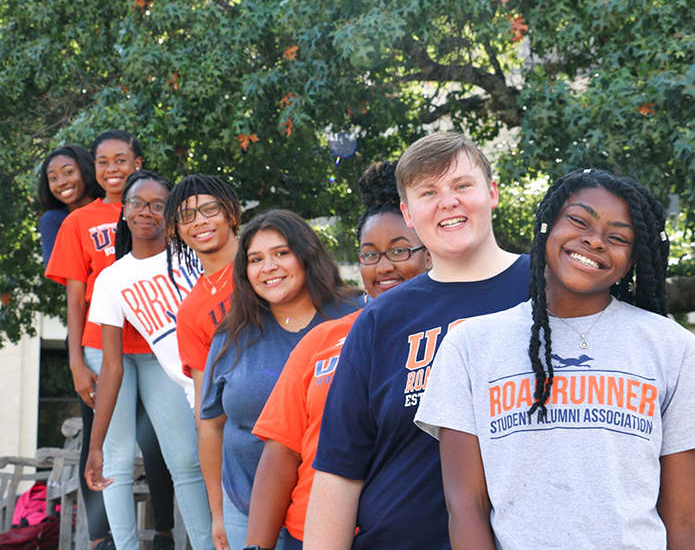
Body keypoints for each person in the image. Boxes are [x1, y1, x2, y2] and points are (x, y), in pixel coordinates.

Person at [415, 168, 695, 549]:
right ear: (547, 226)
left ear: (632, 261)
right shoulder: (470, 345)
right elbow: (466, 505)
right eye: (579, 221)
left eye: (617, 238)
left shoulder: (673, 349)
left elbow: (684, 522)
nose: (595, 241)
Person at [305, 132, 530, 550]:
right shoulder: (380, 320)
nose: (448, 202)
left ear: (492, 193)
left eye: (462, 185)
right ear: (409, 214)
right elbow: (339, 470)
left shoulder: (549, 291)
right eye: (429, 192)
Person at [246, 161, 431, 550]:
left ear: (428, 254)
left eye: (399, 250)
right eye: (369, 254)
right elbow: (280, 454)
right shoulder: (322, 340)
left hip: (404, 534)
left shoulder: (457, 332)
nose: (384, 267)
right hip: (310, 533)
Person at [199, 209, 364, 550]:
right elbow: (211, 426)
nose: (268, 267)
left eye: (281, 253)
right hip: (243, 506)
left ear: (306, 256)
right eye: (255, 259)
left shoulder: (357, 317)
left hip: (338, 507)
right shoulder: (231, 337)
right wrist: (217, 512)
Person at [45, 130, 175, 549]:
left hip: (158, 346)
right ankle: (111, 541)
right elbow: (76, 298)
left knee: (169, 447)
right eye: (103, 162)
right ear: (94, 169)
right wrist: (76, 361)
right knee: (108, 447)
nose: (112, 169)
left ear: (138, 163)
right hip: (103, 349)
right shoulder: (77, 222)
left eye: (121, 160)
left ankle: (166, 533)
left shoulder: (162, 211)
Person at [84, 170, 213, 550]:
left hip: (203, 379)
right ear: (123, 210)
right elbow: (111, 366)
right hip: (171, 373)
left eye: (158, 205)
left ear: (170, 214)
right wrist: (95, 443)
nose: (147, 212)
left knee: (186, 462)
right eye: (138, 203)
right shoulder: (112, 278)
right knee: (116, 464)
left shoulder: (191, 259)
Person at [164, 174, 241, 420]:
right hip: (243, 430)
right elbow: (205, 402)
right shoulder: (190, 312)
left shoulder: (266, 268)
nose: (200, 221)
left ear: (230, 214)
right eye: (187, 216)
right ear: (177, 229)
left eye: (209, 209)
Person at [37, 144, 104, 267]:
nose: (61, 182)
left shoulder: (113, 207)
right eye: (53, 178)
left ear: (85, 170)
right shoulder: (53, 221)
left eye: (68, 172)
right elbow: (63, 274)